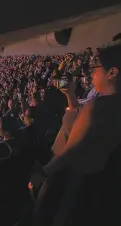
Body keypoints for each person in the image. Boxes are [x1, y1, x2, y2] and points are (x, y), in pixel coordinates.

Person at [35, 43, 121, 226]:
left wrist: (43, 173)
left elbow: (71, 151)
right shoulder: (105, 101)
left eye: (95, 66)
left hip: (76, 181)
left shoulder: (99, 107)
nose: (90, 71)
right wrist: (70, 95)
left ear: (112, 73)